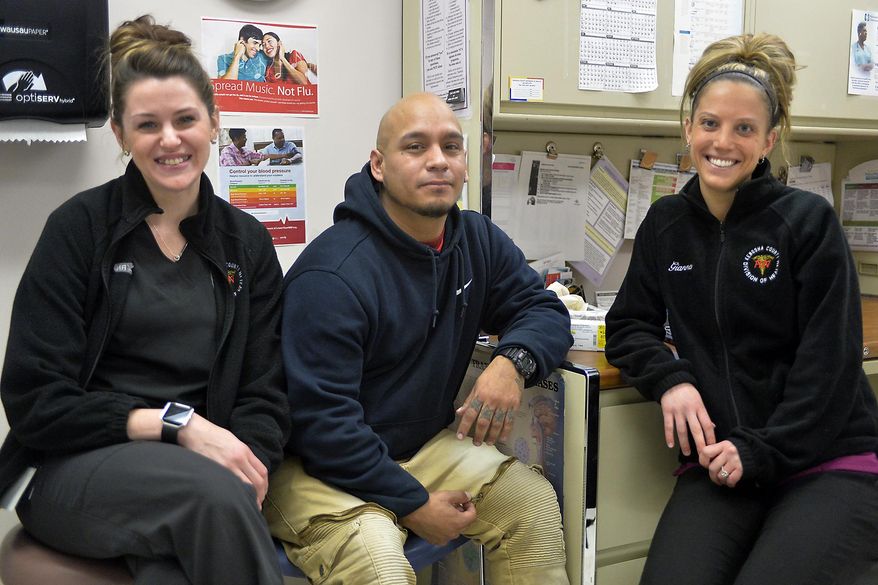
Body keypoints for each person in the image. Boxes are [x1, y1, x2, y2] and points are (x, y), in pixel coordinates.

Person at [0, 15, 289, 585]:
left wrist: (247, 463)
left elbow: (265, 392)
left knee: (178, 562)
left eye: (185, 120)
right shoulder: (79, 229)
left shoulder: (247, 243)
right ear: (120, 135)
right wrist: (176, 424)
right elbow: (35, 399)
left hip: (200, 473)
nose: (170, 140)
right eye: (147, 125)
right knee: (208, 498)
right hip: (72, 468)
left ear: (213, 122)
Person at [264, 92, 573, 585]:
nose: (437, 161)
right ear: (379, 166)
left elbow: (543, 309)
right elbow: (323, 427)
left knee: (529, 506)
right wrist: (412, 504)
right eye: (415, 147)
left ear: (466, 164)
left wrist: (511, 362)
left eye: (451, 147)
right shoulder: (333, 275)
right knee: (378, 561)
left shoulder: (475, 239)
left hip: (414, 448)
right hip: (314, 466)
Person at [605, 33, 878, 585]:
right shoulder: (666, 224)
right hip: (725, 463)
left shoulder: (806, 222)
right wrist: (672, 380)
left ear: (769, 139)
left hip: (825, 459)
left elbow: (829, 369)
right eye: (709, 123)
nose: (722, 141)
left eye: (744, 128)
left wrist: (762, 450)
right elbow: (628, 326)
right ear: (688, 128)